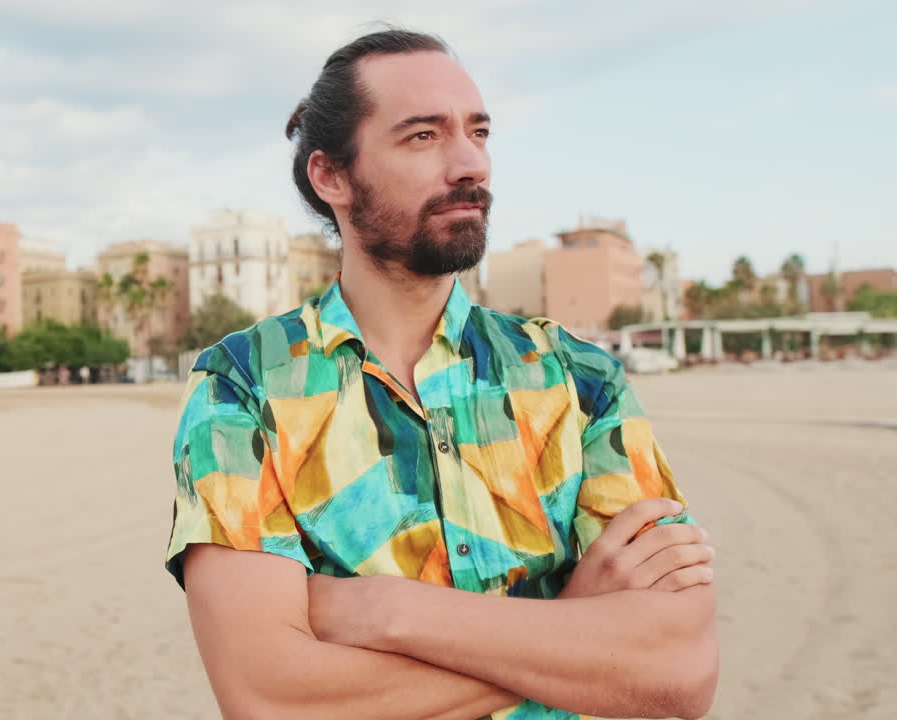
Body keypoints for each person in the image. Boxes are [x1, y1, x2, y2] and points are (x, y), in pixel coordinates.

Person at [165, 29, 718, 720]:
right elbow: (271, 701)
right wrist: (574, 624)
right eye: (422, 137)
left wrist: (395, 613)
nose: (469, 164)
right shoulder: (243, 387)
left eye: (477, 132)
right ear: (331, 176)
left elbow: (678, 671)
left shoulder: (579, 378)